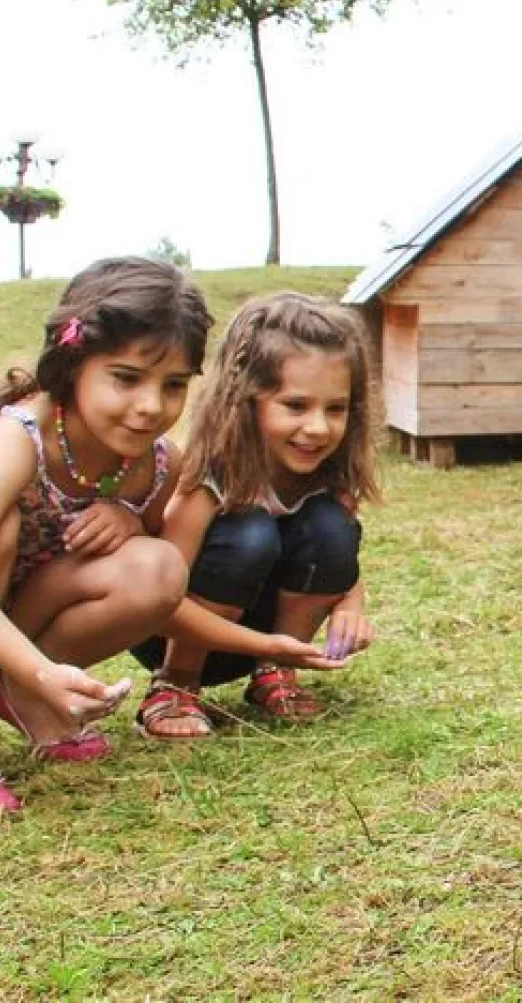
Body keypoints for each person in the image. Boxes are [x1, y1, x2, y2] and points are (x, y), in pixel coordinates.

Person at [0, 257, 212, 821]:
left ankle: (25, 699)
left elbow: (151, 586)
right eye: (126, 378)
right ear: (73, 364)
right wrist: (38, 665)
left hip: (17, 615)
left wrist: (132, 522)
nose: (151, 407)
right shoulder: (22, 435)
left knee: (156, 566)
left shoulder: (156, 465)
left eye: (174, 384)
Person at [130, 293, 380, 739]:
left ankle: (277, 675)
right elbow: (157, 599)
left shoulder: (327, 475)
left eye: (335, 409)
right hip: (177, 633)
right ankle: (174, 684)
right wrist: (260, 641)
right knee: (250, 533)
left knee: (332, 527)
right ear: (247, 400)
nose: (319, 428)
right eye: (296, 406)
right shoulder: (207, 481)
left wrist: (351, 606)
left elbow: (345, 560)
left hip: (268, 638)